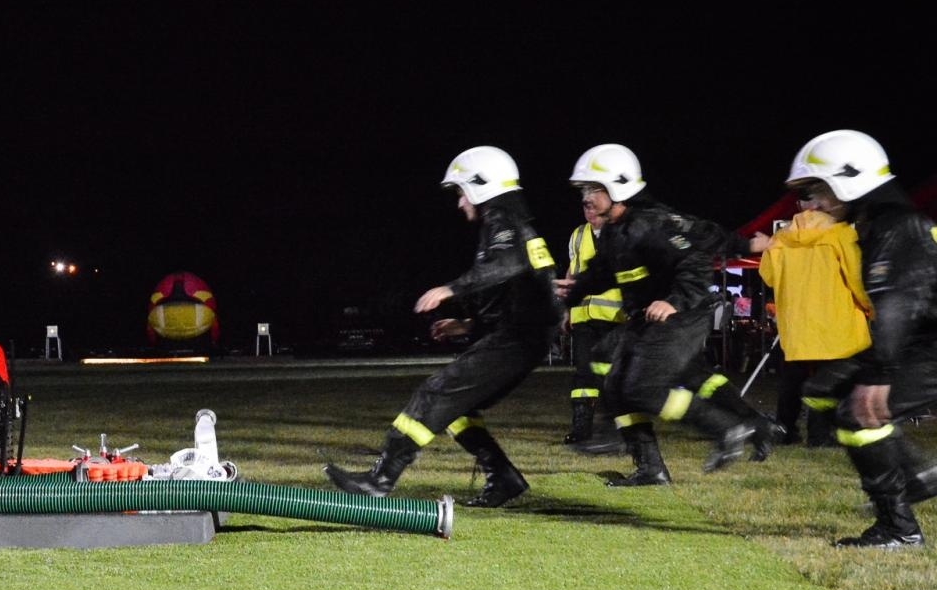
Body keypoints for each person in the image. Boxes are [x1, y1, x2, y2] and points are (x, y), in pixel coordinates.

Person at [324, 146, 561, 507]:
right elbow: (518, 295)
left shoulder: (502, 220)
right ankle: (503, 477)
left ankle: (380, 479)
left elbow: (507, 266)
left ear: (481, 184)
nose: (460, 202)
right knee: (457, 409)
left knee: (435, 394)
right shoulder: (511, 221)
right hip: (522, 336)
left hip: (518, 339)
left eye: (461, 192)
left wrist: (452, 289)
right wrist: (466, 325)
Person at [556, 144, 771, 485]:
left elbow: (694, 260)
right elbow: (602, 272)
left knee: (643, 389)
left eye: (593, 189)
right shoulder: (615, 230)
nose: (586, 198)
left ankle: (728, 427)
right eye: (584, 190)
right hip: (649, 318)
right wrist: (573, 291)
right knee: (615, 384)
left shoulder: (649, 223)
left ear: (619, 186)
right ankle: (650, 468)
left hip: (682, 316)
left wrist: (675, 301)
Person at [790, 131, 937, 547]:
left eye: (819, 190)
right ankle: (918, 475)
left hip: (927, 344)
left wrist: (878, 373)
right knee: (822, 388)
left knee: (857, 415)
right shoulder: (884, 222)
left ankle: (898, 529)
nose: (814, 203)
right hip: (921, 339)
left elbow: (897, 303)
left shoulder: (897, 226)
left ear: (850, 178)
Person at [749, 187, 871, 447]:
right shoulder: (840, 233)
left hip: (796, 323)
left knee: (793, 379)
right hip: (836, 319)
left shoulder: (780, 238)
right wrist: (869, 307)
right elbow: (856, 277)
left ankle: (785, 430)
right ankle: (820, 435)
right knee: (829, 379)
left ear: (800, 205)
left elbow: (768, 276)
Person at [561, 204, 625, 449]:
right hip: (582, 316)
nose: (589, 211)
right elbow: (572, 269)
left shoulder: (622, 233)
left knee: (612, 375)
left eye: (593, 205)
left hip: (614, 317)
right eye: (585, 206)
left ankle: (617, 428)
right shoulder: (578, 234)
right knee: (583, 372)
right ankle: (581, 428)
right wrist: (566, 309)